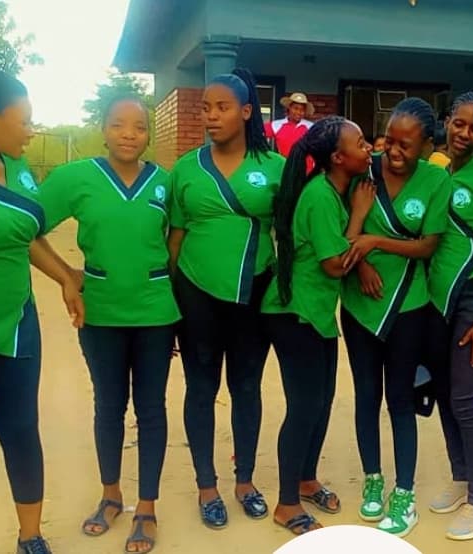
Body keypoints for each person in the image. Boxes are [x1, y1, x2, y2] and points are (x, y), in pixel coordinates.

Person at [37, 95, 180, 553]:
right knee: (109, 405)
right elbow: (23, 227)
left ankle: (147, 507)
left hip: (155, 313)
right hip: (100, 313)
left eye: (139, 126)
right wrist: (66, 276)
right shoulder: (75, 178)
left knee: (151, 408)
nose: (129, 134)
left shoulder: (165, 183)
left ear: (149, 134)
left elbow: (178, 243)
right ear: (102, 128)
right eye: (118, 124)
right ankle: (111, 496)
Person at [0, 68, 84, 554]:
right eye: (24, 120)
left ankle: (30, 537)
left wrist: (66, 276)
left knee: (21, 430)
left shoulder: (19, 168)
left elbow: (23, 233)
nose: (31, 131)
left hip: (17, 324)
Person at [167, 69, 285, 529]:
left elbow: (291, 233)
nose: (211, 116)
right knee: (200, 388)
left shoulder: (273, 166)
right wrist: (169, 304)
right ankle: (206, 486)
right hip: (195, 293)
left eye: (222, 107)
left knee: (247, 388)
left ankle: (245, 481)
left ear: (247, 112)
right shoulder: (186, 169)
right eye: (205, 108)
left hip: (254, 294)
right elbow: (175, 238)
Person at [340, 97, 451, 537]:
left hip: (408, 305)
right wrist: (361, 263)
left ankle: (404, 493)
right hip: (359, 304)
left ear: (426, 146)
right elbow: (344, 233)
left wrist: (375, 243)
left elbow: (427, 246)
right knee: (366, 395)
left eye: (407, 144)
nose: (395, 151)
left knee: (400, 399)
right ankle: (373, 478)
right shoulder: (363, 172)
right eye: (389, 140)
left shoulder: (436, 179)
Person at [261, 116, 375, 535]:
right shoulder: (322, 197)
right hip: (295, 315)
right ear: (338, 158)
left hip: (317, 315)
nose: (369, 147)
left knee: (322, 401)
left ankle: (306, 480)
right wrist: (359, 217)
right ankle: (286, 503)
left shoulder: (335, 189)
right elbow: (333, 265)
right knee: (305, 406)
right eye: (360, 143)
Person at [423, 92, 473, 541]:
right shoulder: (438, 173)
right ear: (447, 122)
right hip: (438, 300)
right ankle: (460, 477)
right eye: (459, 123)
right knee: (446, 395)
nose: (464, 133)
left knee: (468, 398)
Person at [265, 92, 315, 157]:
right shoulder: (276, 125)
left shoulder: (311, 127)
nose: (299, 112)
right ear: (289, 108)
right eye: (295, 108)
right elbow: (258, 133)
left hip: (306, 164)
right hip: (285, 163)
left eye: (302, 110)